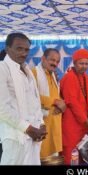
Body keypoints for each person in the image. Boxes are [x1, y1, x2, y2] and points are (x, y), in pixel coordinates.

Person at [0, 33, 47, 165]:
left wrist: (41, 123)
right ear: (8, 49)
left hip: (33, 135)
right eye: (19, 48)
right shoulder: (2, 68)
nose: (23, 53)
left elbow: (34, 101)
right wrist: (28, 128)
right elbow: (2, 108)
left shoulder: (27, 70)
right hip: (15, 135)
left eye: (26, 50)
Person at [60, 49, 88, 165]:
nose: (84, 66)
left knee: (81, 154)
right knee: (71, 153)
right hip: (71, 123)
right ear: (74, 63)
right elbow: (72, 102)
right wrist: (86, 120)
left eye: (86, 64)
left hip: (83, 123)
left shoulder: (85, 76)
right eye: (81, 63)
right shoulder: (69, 77)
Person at [31, 48, 66, 158]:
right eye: (52, 60)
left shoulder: (53, 75)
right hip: (42, 124)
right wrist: (55, 101)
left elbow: (56, 95)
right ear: (43, 59)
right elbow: (31, 96)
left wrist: (61, 105)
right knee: (40, 156)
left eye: (57, 61)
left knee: (53, 157)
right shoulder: (33, 73)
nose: (55, 63)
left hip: (54, 123)